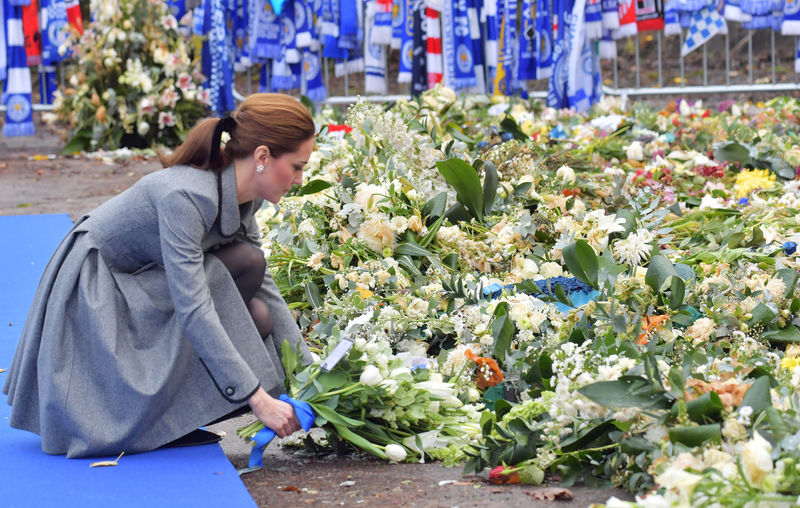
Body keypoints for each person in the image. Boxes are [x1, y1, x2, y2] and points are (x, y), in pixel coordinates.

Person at [3, 93, 316, 458]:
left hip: (142, 281)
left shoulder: (247, 194)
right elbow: (194, 309)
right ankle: (147, 417)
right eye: (296, 167)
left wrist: (311, 376)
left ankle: (171, 414)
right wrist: (259, 399)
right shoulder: (186, 196)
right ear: (262, 156)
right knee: (228, 280)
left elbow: (263, 285)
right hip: (96, 296)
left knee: (257, 309)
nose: (299, 178)